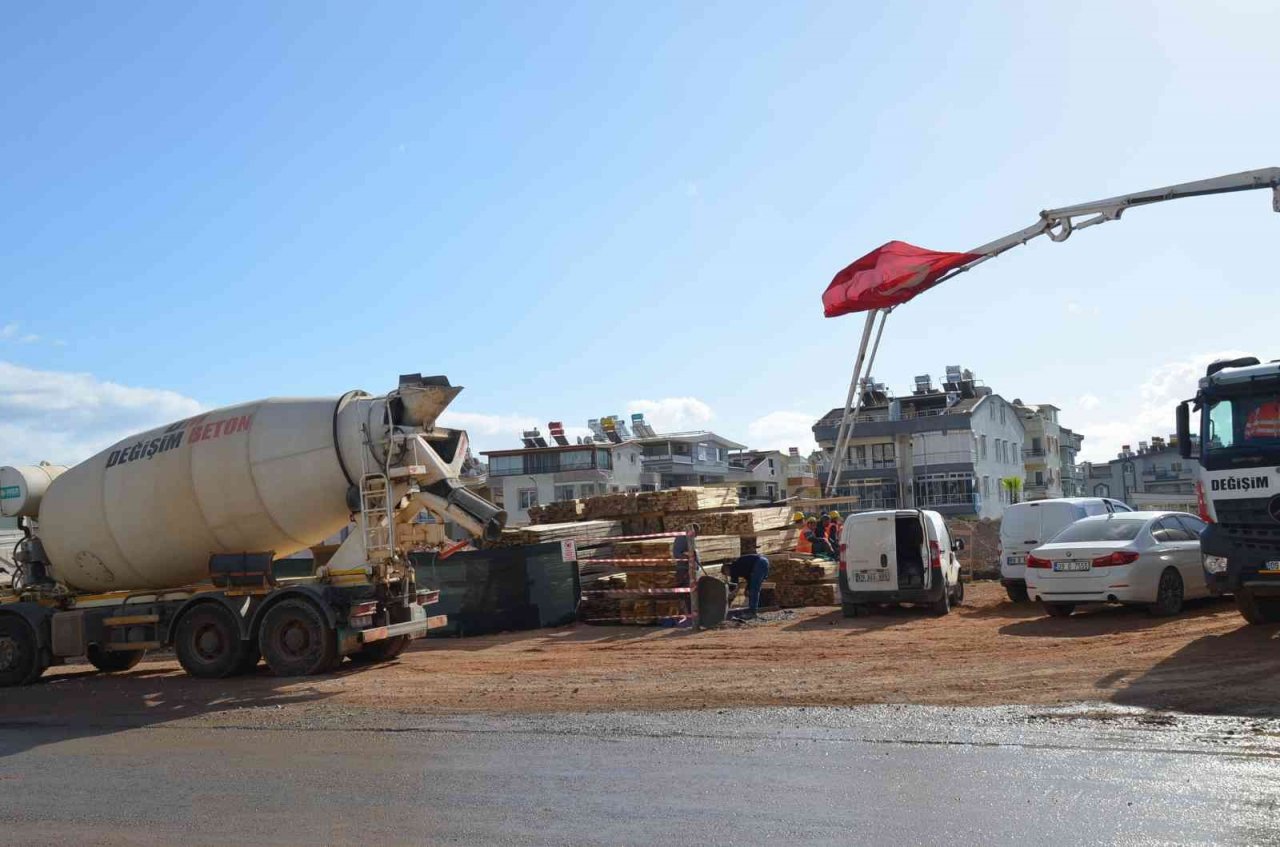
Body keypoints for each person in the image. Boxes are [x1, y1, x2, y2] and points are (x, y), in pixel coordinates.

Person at [723, 553, 770, 618]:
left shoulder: (733, 568)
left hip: (758, 563)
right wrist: (747, 589)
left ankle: (752, 612)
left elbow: (733, 583)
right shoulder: (739, 565)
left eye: (726, 574)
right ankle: (753, 610)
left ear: (726, 569)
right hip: (764, 561)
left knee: (754, 589)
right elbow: (750, 578)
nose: (728, 575)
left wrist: (730, 595)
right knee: (754, 588)